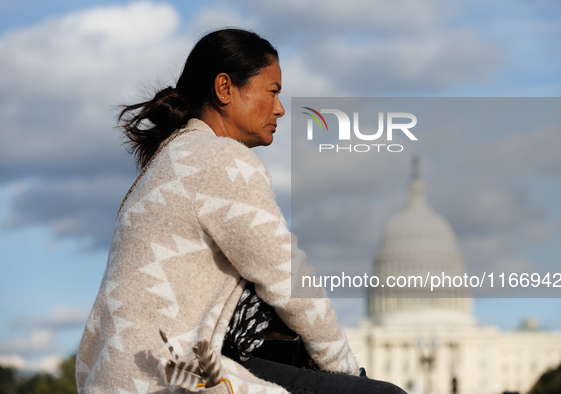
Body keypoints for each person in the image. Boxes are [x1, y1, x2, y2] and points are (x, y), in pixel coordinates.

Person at [76, 28, 406, 394]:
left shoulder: (165, 162)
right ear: (225, 89)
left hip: (122, 374)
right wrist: (348, 372)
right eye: (273, 92)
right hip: (170, 376)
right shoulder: (218, 159)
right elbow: (290, 282)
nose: (280, 108)